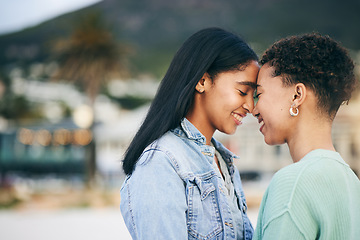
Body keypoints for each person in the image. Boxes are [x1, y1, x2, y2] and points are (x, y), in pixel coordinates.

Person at [120, 27, 259, 240]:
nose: (250, 106)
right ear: (202, 81)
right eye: (242, 91)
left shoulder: (222, 160)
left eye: (254, 96)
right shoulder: (161, 162)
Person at [252, 33, 360, 239]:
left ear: (297, 95)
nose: (254, 109)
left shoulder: (293, 183)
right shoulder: (352, 183)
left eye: (260, 94)